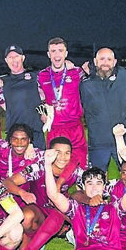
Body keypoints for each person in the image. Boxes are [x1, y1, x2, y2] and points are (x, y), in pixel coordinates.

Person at [2, 136, 83, 250]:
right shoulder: (39, 168)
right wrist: (22, 192)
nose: (62, 157)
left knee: (59, 212)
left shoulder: (75, 171)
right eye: (58, 153)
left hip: (59, 213)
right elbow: (7, 182)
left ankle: (32, 248)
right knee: (26, 217)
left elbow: (92, 187)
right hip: (39, 210)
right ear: (50, 153)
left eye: (67, 153)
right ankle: (35, 240)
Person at [80, 47, 126, 171]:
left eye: (109, 59)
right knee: (97, 181)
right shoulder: (85, 84)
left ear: (114, 62)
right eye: (102, 59)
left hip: (123, 140)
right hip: (98, 143)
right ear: (95, 61)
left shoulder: (124, 76)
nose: (105, 62)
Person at [37, 37, 88, 166]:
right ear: (48, 54)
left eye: (60, 50)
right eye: (53, 51)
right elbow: (39, 97)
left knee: (80, 168)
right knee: (55, 169)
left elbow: (95, 79)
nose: (57, 54)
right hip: (55, 128)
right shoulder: (41, 76)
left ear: (66, 53)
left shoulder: (77, 72)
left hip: (75, 127)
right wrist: (43, 113)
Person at [1, 45, 46, 149]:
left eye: (16, 56)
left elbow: (48, 93)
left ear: (23, 58)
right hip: (14, 135)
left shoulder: (36, 76)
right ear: (6, 60)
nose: (14, 60)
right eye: (10, 57)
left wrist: (45, 112)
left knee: (37, 165)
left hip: (35, 132)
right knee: (15, 165)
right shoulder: (2, 81)